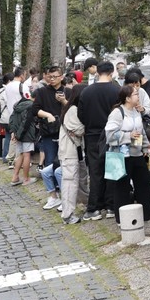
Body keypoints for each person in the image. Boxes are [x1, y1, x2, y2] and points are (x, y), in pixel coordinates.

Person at [104, 83, 150, 224]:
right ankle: (122, 217)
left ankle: (148, 212)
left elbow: (142, 132)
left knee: (144, 182)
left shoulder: (136, 111)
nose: (138, 96)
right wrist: (129, 136)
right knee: (122, 186)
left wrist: (146, 148)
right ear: (127, 98)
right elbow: (110, 135)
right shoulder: (117, 113)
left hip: (136, 153)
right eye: (135, 94)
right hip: (121, 156)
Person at [77, 59, 121, 221]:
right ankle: (111, 207)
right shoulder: (117, 91)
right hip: (113, 135)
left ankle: (94, 208)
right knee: (113, 171)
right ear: (112, 72)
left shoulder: (86, 91)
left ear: (97, 72)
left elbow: (81, 115)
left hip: (92, 136)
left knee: (95, 172)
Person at [32, 66, 67, 209]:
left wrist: (64, 101)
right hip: (48, 132)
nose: (52, 79)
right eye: (49, 76)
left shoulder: (68, 91)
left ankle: (65, 197)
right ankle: (53, 195)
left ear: (61, 77)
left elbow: (74, 110)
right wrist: (47, 115)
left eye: (55, 76)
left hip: (65, 133)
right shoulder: (42, 92)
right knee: (50, 163)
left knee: (63, 165)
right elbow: (34, 109)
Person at [58, 84, 85, 224]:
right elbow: (79, 130)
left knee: (73, 181)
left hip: (71, 150)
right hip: (69, 152)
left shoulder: (69, 108)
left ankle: (70, 211)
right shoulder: (73, 110)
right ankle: (67, 214)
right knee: (70, 183)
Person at [9, 85, 40, 186]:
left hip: (18, 133)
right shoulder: (31, 106)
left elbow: (12, 118)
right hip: (26, 133)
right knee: (26, 155)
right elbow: (26, 122)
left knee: (21, 155)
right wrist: (19, 134)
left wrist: (14, 132)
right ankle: (26, 179)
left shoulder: (19, 104)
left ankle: (15, 177)